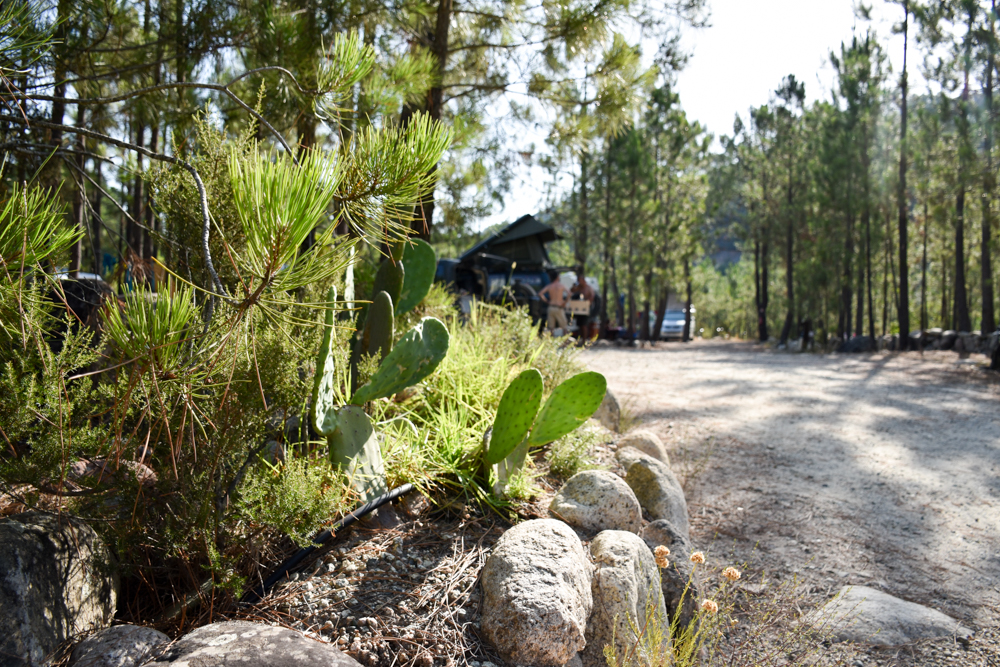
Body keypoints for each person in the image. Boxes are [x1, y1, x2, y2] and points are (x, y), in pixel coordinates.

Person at [570, 270, 595, 344]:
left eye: (579, 280)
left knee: (584, 325)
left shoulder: (588, 288)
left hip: (586, 308)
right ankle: (580, 340)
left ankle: (584, 340)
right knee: (580, 325)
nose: (579, 281)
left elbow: (592, 296)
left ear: (583, 280)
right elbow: (572, 291)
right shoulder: (579, 287)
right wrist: (574, 286)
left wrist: (587, 304)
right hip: (580, 309)